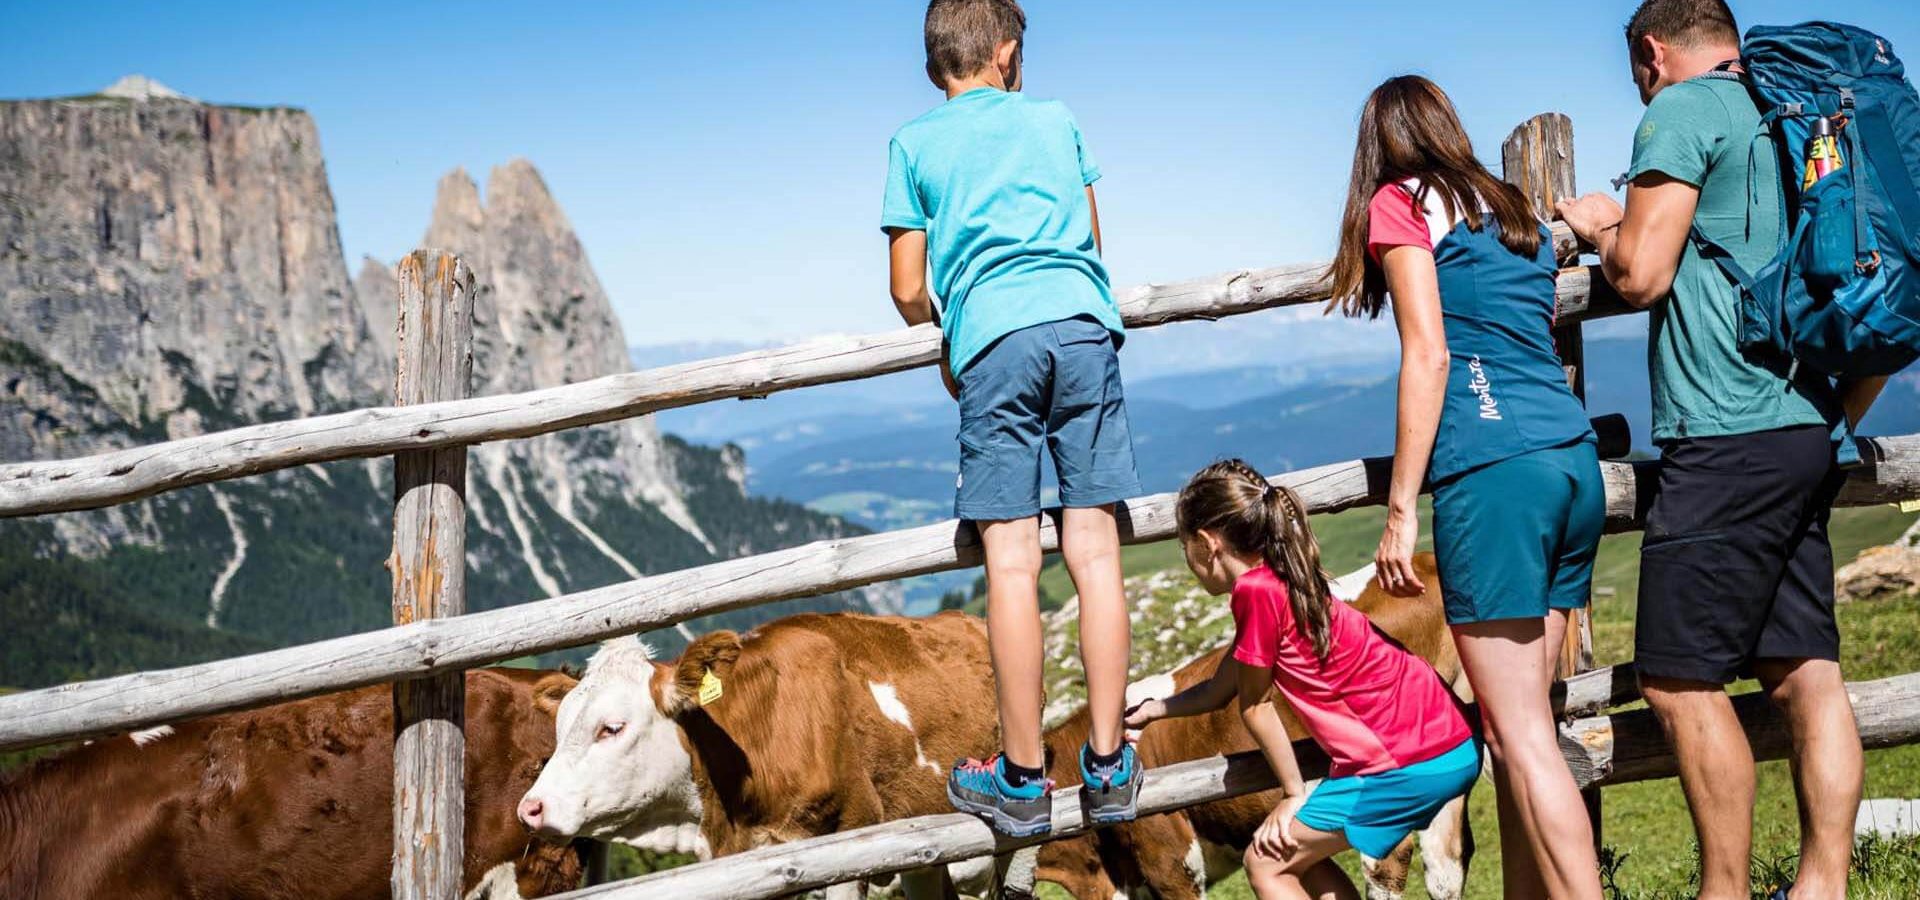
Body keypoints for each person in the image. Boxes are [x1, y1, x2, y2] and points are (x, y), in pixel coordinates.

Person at [1558, 3, 1888, 899]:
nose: (1638, 83)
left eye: (1636, 69)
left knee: (1676, 683)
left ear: (1651, 50)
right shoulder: (1790, 108)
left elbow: (1641, 272)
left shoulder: (1685, 108)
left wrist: (1598, 222)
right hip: (1806, 421)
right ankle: (1821, 888)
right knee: (1806, 674)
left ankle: (1726, 892)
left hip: (1726, 433)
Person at [1325, 75, 1606, 900]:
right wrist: (1584, 220)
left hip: (1494, 474)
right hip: (1570, 465)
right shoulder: (1511, 209)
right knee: (1527, 730)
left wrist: (1401, 508)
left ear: (1377, 146)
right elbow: (1571, 231)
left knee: (1520, 738)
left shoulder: (1399, 204)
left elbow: (1431, 355)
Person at [881, 0, 1142, 837]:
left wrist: (951, 317)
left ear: (935, 67)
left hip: (995, 345)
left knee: (1013, 565)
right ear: (1005, 52)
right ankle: (1108, 766)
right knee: (1095, 549)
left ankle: (1025, 781)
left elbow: (906, 289)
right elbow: (1093, 240)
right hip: (1082, 327)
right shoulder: (1057, 119)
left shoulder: (913, 144)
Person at [1125, 460, 1479, 900]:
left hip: (1404, 763)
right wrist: (1155, 711)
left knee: (1266, 861)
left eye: (1184, 547)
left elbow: (1254, 705)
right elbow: (1223, 688)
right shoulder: (1285, 580)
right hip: (1449, 743)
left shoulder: (1254, 594)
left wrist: (1293, 794)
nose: (1187, 560)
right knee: (1297, 860)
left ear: (1207, 543)